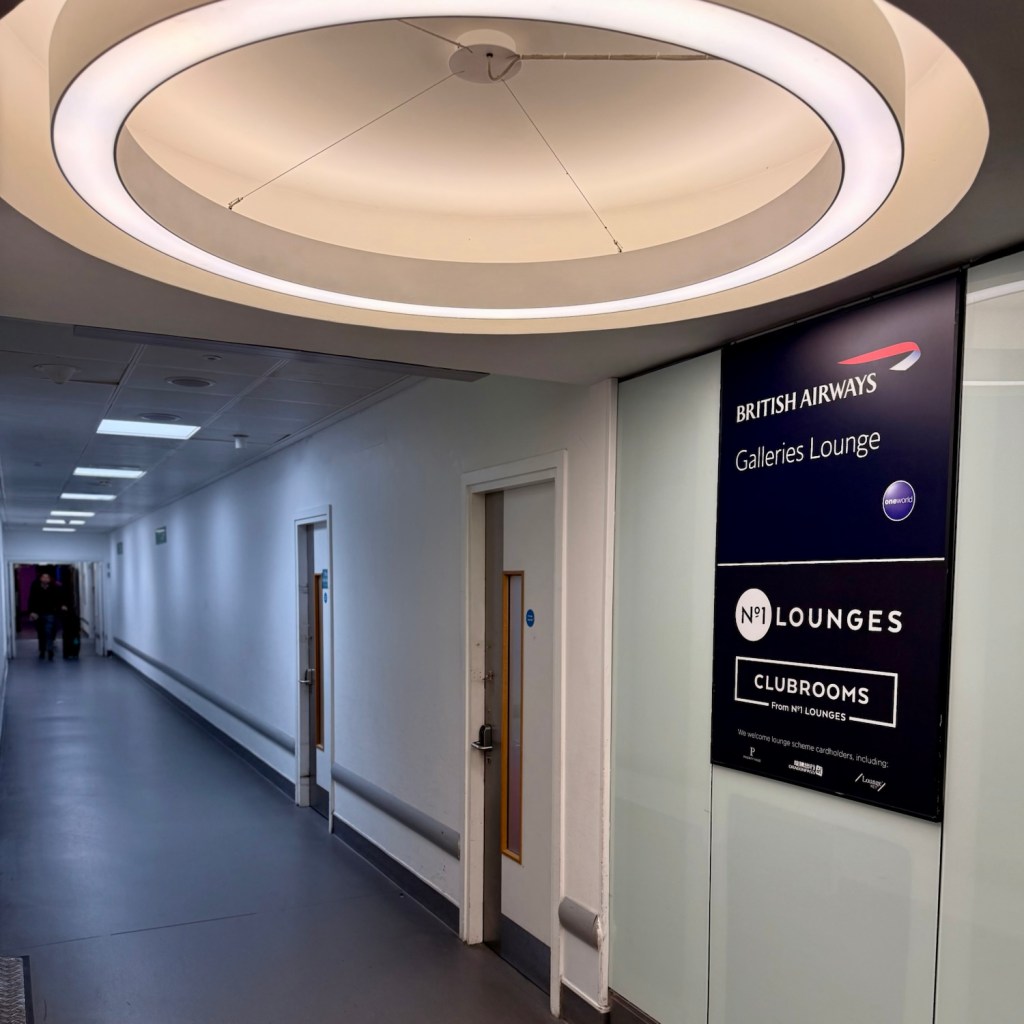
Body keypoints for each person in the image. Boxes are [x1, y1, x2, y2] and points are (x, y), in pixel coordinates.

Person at [28, 571, 67, 661]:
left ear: (49, 579)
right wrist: (31, 612)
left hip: (50, 613)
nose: (45, 579)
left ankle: (50, 651)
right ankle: (42, 651)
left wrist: (61, 606)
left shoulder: (54, 588)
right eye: (44, 577)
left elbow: (58, 599)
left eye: (47, 577)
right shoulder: (35, 587)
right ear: (40, 578)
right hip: (38, 614)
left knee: (49, 633)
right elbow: (31, 599)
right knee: (41, 633)